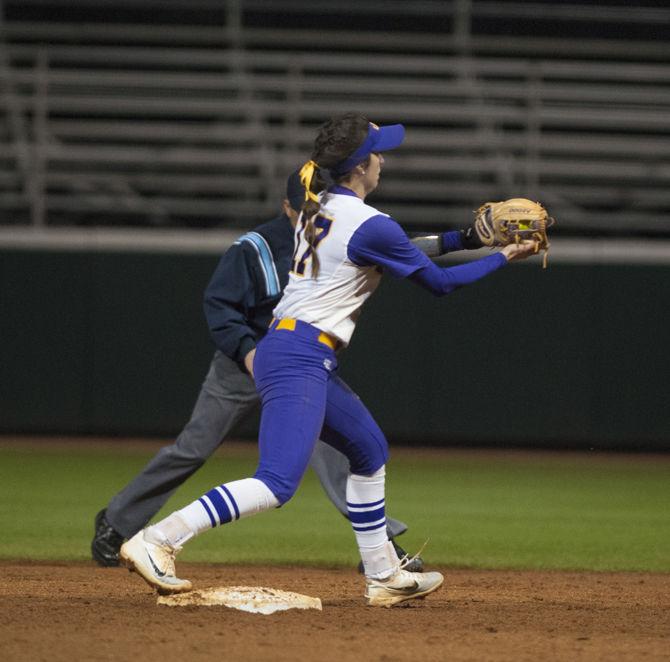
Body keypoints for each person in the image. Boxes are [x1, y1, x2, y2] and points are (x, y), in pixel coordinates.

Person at [119, 113, 539, 607]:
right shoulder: (368, 223)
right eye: (378, 152)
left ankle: (382, 574)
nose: (383, 159)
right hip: (299, 355)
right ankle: (158, 539)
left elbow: (396, 247)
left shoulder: (323, 207)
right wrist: (500, 257)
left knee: (368, 450)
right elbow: (437, 283)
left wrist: (465, 239)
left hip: (297, 349)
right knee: (276, 482)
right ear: (360, 167)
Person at [92, 170, 454, 572]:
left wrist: (464, 240)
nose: (310, 215)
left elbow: (399, 250)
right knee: (192, 448)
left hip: (299, 365)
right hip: (242, 366)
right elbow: (220, 307)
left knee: (340, 451)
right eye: (302, 209)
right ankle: (116, 522)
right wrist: (248, 352)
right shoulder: (256, 247)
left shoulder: (335, 232)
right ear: (286, 207)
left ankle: (379, 549)